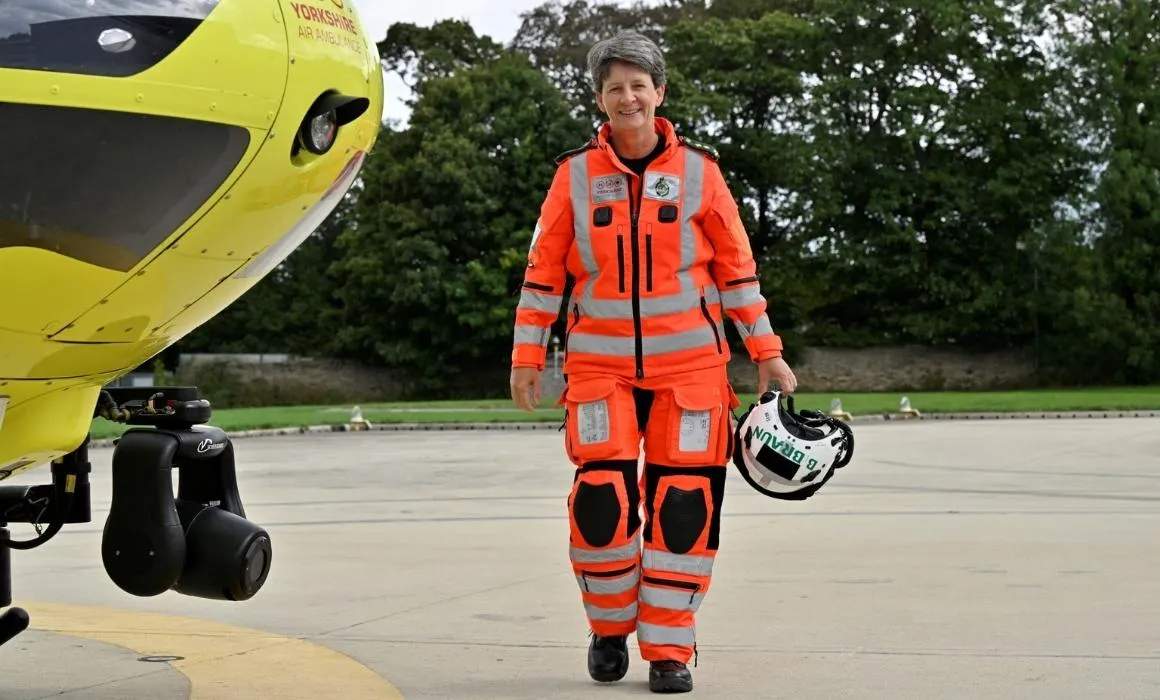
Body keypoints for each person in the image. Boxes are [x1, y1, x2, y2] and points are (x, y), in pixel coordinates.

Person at [509, 29, 796, 694]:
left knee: (684, 507)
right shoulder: (572, 177)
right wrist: (528, 357)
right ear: (601, 100)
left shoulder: (702, 174)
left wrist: (768, 353)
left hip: (692, 375)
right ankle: (608, 631)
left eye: (639, 85)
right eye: (615, 87)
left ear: (659, 94)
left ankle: (669, 646)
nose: (628, 96)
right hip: (599, 372)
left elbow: (737, 275)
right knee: (601, 504)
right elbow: (543, 275)